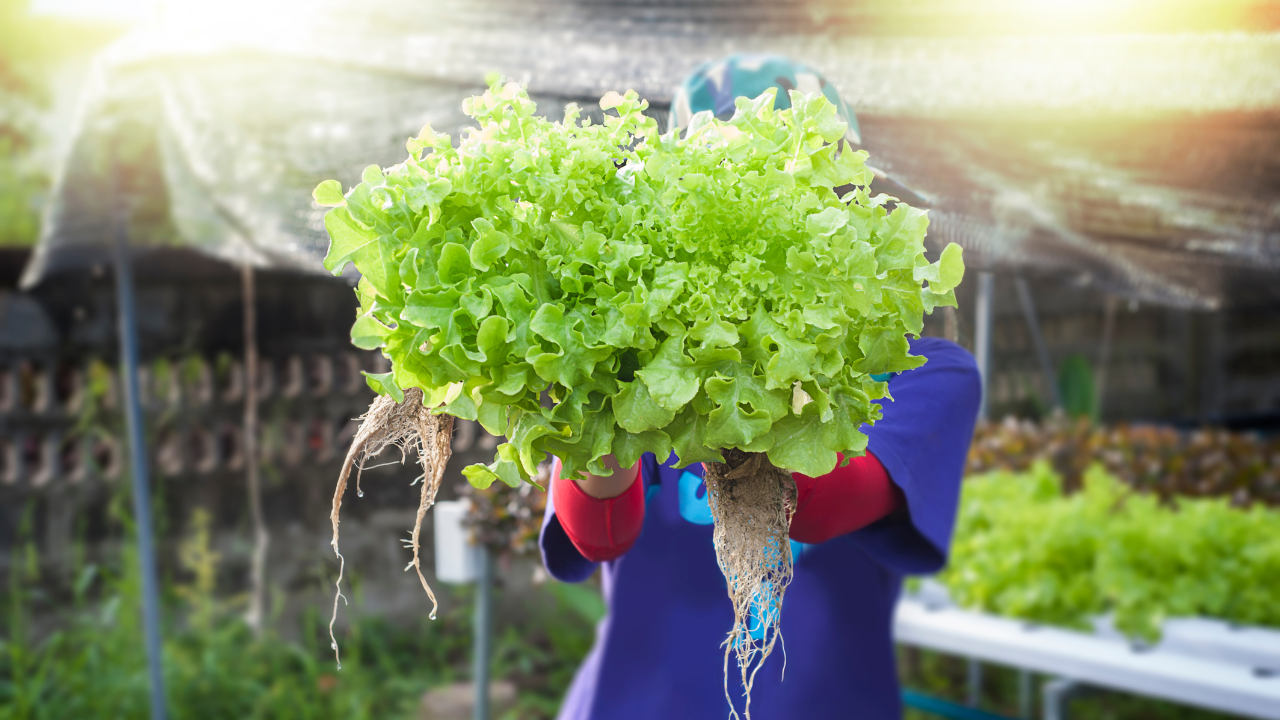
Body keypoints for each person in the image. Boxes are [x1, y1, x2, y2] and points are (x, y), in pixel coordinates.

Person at [539, 54, 982, 720]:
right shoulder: (643, 350)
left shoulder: (926, 370)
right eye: (736, 182)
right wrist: (598, 402)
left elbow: (824, 503)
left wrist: (749, 374)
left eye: (809, 180)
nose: (780, 207)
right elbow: (599, 532)